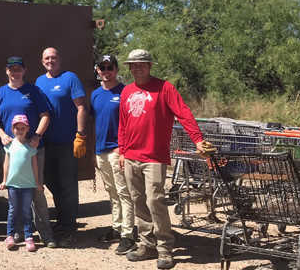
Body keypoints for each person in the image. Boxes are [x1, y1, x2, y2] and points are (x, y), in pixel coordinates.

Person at [118, 49, 214, 269]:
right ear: (129, 68)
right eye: (133, 65)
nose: (137, 68)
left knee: (155, 201)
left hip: (154, 156)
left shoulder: (165, 88)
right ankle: (147, 244)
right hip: (131, 155)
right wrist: (122, 151)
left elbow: (184, 113)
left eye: (142, 64)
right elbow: (123, 123)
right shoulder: (127, 92)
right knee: (138, 201)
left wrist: (198, 140)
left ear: (150, 66)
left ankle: (164, 248)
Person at [0, 56, 56, 248]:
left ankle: (45, 233)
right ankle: (19, 233)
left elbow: (45, 115)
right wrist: (1, 134)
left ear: (24, 71)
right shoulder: (0, 93)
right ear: (6, 71)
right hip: (10, 149)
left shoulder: (34, 91)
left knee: (36, 190)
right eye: (11, 69)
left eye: (18, 68)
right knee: (14, 195)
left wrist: (37, 136)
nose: (15, 72)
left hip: (33, 150)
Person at [34, 47, 86, 247]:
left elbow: (81, 107)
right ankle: (63, 221)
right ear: (42, 61)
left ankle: (69, 228)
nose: (50, 60)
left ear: (60, 59)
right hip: (46, 143)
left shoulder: (70, 78)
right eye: (46, 58)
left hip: (67, 142)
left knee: (68, 186)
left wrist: (80, 134)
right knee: (51, 182)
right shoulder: (40, 81)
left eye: (53, 57)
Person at [90, 54, 136, 255]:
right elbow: (94, 123)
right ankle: (117, 227)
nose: (106, 72)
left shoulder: (125, 92)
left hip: (118, 150)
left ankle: (128, 234)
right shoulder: (95, 94)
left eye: (110, 68)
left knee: (124, 192)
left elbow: (133, 122)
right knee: (112, 192)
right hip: (101, 150)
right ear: (98, 71)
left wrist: (123, 148)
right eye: (103, 68)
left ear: (116, 70)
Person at [0, 114, 41, 252]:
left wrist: (37, 182)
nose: (20, 130)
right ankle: (10, 236)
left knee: (26, 211)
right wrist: (4, 180)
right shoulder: (10, 145)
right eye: (17, 128)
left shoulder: (31, 147)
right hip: (13, 184)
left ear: (27, 129)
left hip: (28, 185)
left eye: (22, 128)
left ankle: (28, 237)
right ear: (13, 129)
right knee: (12, 210)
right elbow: (6, 163)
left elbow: (35, 165)